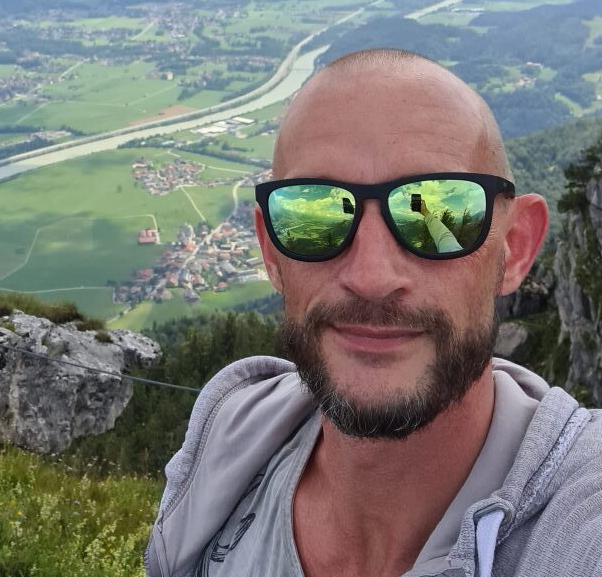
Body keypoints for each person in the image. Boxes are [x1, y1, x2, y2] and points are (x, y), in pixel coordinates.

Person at [145, 48, 602, 577]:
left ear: (516, 248)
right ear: (271, 252)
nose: (371, 277)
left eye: (438, 210)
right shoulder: (223, 454)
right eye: (312, 213)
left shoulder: (579, 523)